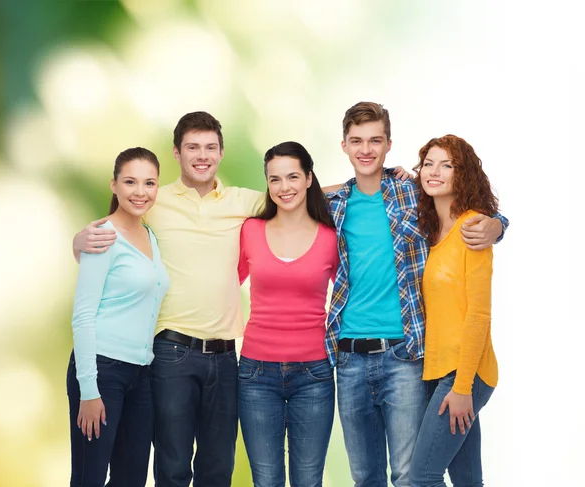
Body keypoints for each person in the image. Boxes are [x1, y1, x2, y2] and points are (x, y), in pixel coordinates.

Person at [72, 111, 408, 486]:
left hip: (226, 356)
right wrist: (79, 240)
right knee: (172, 465)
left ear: (221, 152)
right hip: (171, 352)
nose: (202, 155)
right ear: (176, 153)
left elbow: (292, 195)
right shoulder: (154, 199)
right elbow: (119, 225)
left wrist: (381, 178)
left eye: (210, 147)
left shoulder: (242, 203)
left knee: (219, 468)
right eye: (192, 148)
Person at [324, 102, 509, 487]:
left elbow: (479, 310)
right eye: (356, 140)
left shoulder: (417, 198)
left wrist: (497, 224)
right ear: (343, 145)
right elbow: (293, 191)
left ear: (389, 144)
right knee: (377, 477)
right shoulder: (338, 204)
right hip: (354, 357)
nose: (366, 149)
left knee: (414, 476)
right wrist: (306, 185)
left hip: (407, 356)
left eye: (375, 140)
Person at [237, 142, 338, 487]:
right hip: (255, 375)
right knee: (265, 481)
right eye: (275, 179)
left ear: (309, 178)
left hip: (313, 375)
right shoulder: (249, 230)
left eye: (293, 176)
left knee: (308, 481)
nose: (284, 187)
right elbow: (221, 283)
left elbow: (351, 295)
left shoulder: (330, 237)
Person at [67, 147, 170, 487]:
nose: (140, 192)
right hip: (102, 371)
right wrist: (89, 390)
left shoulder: (151, 236)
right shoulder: (103, 236)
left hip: (141, 375)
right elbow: (83, 315)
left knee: (131, 478)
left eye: (149, 183)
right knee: (90, 477)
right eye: (130, 182)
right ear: (114, 185)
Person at [408, 135, 499, 487]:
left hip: (465, 373)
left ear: (464, 175)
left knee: (422, 476)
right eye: (429, 163)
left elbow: (479, 315)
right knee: (466, 478)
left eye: (447, 165)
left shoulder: (473, 228)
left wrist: (462, 387)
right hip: (436, 369)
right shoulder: (431, 230)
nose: (434, 172)